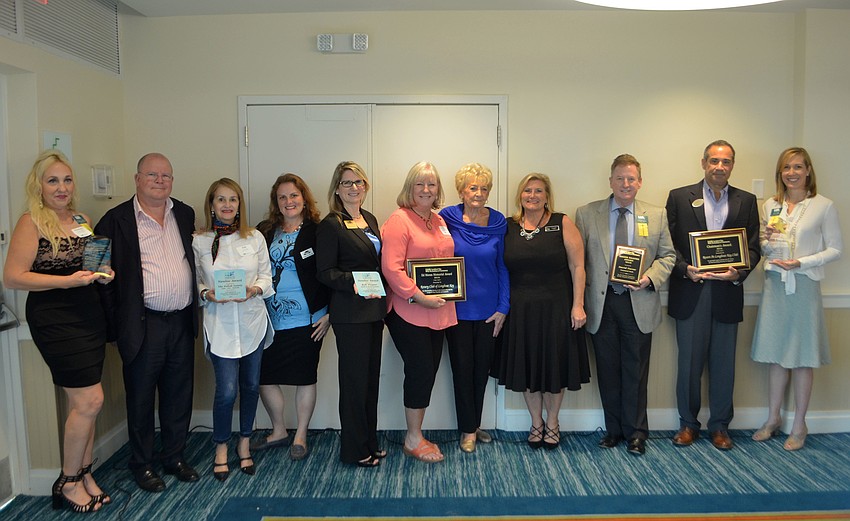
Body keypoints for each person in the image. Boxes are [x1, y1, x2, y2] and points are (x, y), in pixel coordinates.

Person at [4, 150, 113, 512]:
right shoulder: (30, 222)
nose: (62, 187)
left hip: (89, 315)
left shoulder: (82, 218)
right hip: (55, 318)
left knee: (85, 405)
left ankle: (84, 474)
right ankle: (66, 482)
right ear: (39, 186)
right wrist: (65, 282)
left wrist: (103, 271)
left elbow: (92, 261)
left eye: (66, 180)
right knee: (90, 400)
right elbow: (13, 276)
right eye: (53, 181)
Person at [95, 152, 200, 492]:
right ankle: (141, 464)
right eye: (152, 175)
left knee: (178, 395)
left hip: (181, 322)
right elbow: (101, 281)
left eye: (166, 176)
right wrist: (116, 329)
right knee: (141, 398)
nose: (160, 180)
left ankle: (174, 456)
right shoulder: (112, 220)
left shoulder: (183, 213)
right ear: (137, 178)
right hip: (143, 325)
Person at [575, 154, 675, 456]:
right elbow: (578, 263)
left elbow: (668, 256)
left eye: (631, 178)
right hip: (602, 304)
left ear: (640, 182)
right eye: (620, 178)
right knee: (607, 371)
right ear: (610, 182)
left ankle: (636, 433)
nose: (625, 184)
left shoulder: (656, 215)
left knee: (636, 371)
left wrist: (648, 278)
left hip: (639, 302)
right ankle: (614, 431)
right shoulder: (586, 213)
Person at [665, 140, 760, 451]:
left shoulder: (746, 201)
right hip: (690, 290)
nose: (720, 166)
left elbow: (754, 247)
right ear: (703, 162)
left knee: (723, 365)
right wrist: (684, 269)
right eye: (714, 161)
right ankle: (688, 424)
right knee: (689, 365)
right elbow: (668, 246)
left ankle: (720, 426)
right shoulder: (679, 198)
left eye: (726, 161)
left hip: (727, 293)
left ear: (732, 165)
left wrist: (740, 273)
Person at [750, 147, 842, 451]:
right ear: (781, 173)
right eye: (787, 167)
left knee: (802, 358)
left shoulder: (823, 206)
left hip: (803, 286)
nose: (792, 173)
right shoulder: (771, 206)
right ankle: (773, 418)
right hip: (775, 286)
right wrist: (767, 243)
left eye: (798, 167)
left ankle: (800, 424)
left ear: (808, 171)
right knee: (777, 356)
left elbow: (835, 249)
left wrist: (802, 262)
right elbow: (765, 244)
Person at [494, 173, 589, 450]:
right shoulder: (509, 226)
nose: (532, 196)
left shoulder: (562, 222)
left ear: (547, 196)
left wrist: (578, 304)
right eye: (527, 191)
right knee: (529, 368)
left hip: (557, 308)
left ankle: (554, 422)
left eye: (538, 191)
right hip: (520, 310)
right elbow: (499, 266)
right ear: (520, 195)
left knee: (553, 367)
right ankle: (536, 422)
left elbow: (578, 266)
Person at [192, 178, 274, 481]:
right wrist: (205, 293)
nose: (228, 205)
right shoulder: (200, 241)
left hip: (252, 323)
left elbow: (267, 277)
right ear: (211, 205)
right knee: (226, 391)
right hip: (221, 325)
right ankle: (221, 447)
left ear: (240, 204)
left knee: (251, 387)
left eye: (233, 199)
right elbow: (196, 281)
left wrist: (254, 289)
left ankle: (244, 444)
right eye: (221, 200)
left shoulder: (254, 238)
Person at [381, 161, 457, 463]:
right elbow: (391, 267)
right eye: (420, 184)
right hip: (408, 310)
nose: (426, 190)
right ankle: (413, 438)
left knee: (428, 372)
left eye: (432, 184)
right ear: (409, 188)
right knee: (420, 370)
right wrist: (418, 296)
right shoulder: (400, 219)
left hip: (438, 311)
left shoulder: (438, 220)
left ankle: (417, 433)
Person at [253, 174, 330, 461]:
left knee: (304, 376)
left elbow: (330, 272)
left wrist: (330, 313)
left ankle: (300, 435)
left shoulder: (319, 231)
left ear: (304, 198)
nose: (289, 202)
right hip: (268, 319)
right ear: (276, 202)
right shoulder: (265, 231)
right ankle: (278, 429)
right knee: (264, 376)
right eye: (282, 197)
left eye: (294, 195)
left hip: (309, 318)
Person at [317, 161, 388, 467]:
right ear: (337, 188)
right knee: (355, 384)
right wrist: (356, 282)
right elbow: (325, 272)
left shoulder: (369, 218)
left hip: (374, 311)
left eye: (359, 182)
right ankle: (354, 450)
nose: (354, 187)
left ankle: (369, 442)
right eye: (347, 183)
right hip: (350, 315)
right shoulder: (331, 223)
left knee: (371, 382)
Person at [438, 163, 509, 453]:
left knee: (481, 372)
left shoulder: (498, 222)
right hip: (454, 311)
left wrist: (503, 307)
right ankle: (467, 430)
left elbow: (503, 266)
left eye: (484, 188)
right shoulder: (447, 217)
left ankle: (473, 424)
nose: (479, 193)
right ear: (461, 191)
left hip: (489, 312)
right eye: (473, 187)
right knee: (462, 370)